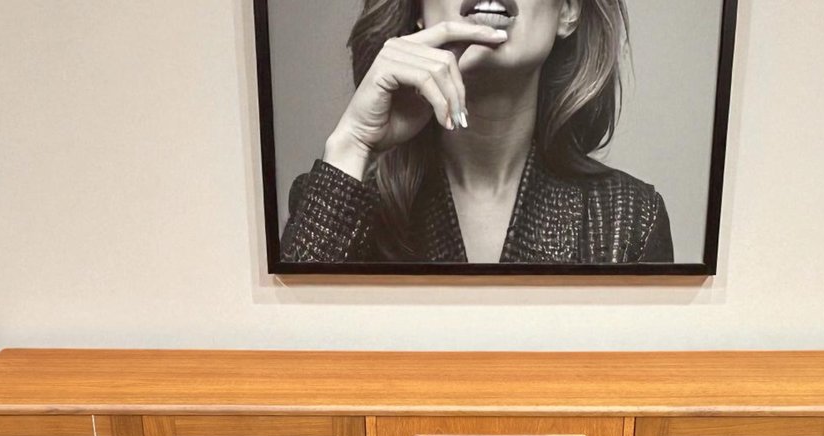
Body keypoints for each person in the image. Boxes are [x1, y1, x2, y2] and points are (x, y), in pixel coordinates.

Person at [281, 0, 673, 265]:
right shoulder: (341, 196)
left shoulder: (630, 219)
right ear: (418, 9)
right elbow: (285, 370)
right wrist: (352, 143)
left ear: (568, 11)